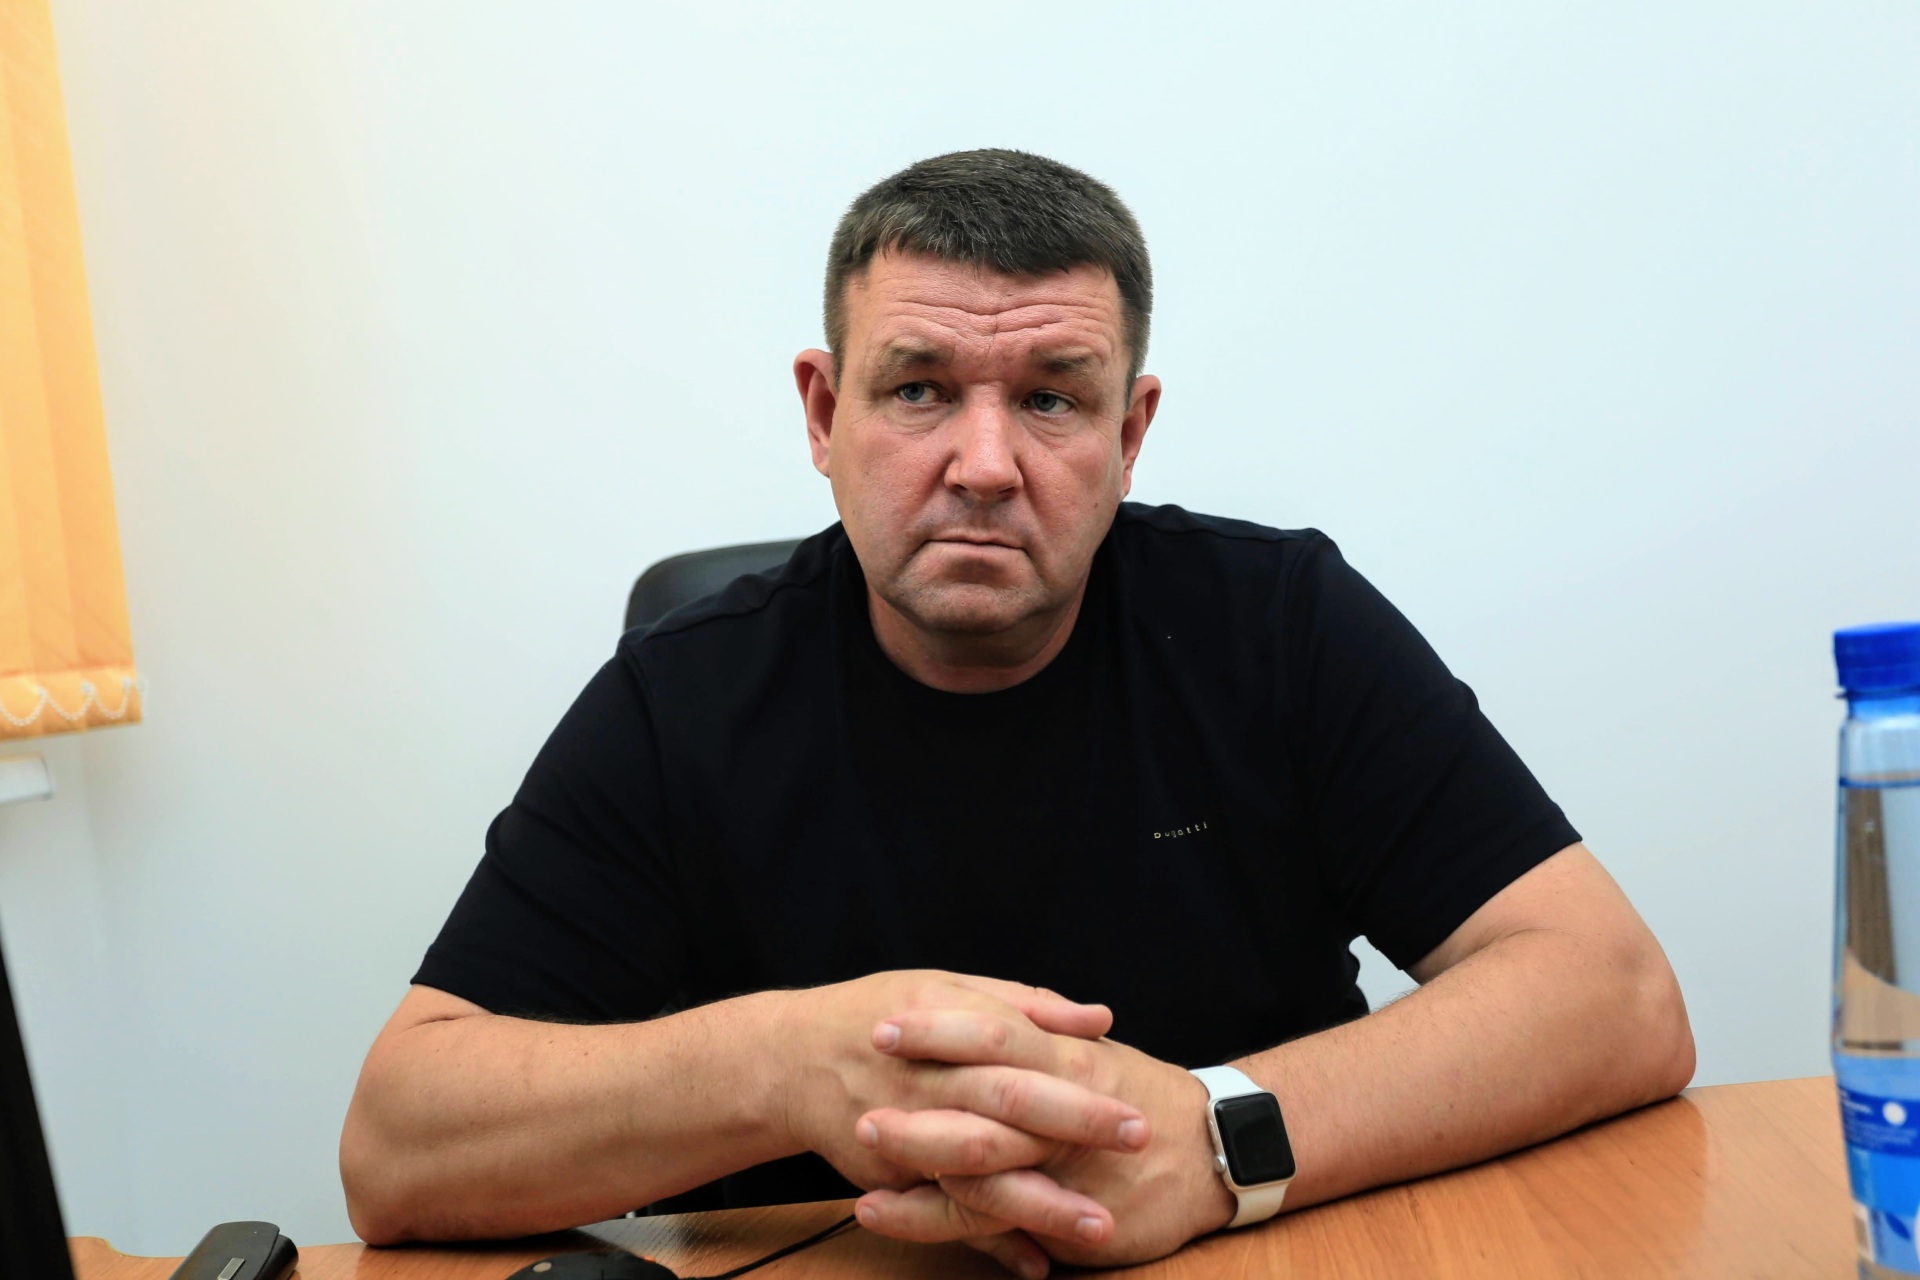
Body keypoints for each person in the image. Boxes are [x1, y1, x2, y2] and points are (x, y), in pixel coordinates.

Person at [339, 149, 1694, 1279]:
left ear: (1130, 433)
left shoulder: (1278, 622)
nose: (984, 465)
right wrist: (786, 1064)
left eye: (1050, 398)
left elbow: (1615, 993)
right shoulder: (682, 695)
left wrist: (1215, 1140)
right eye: (919, 388)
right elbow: (397, 1145)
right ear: (824, 411)